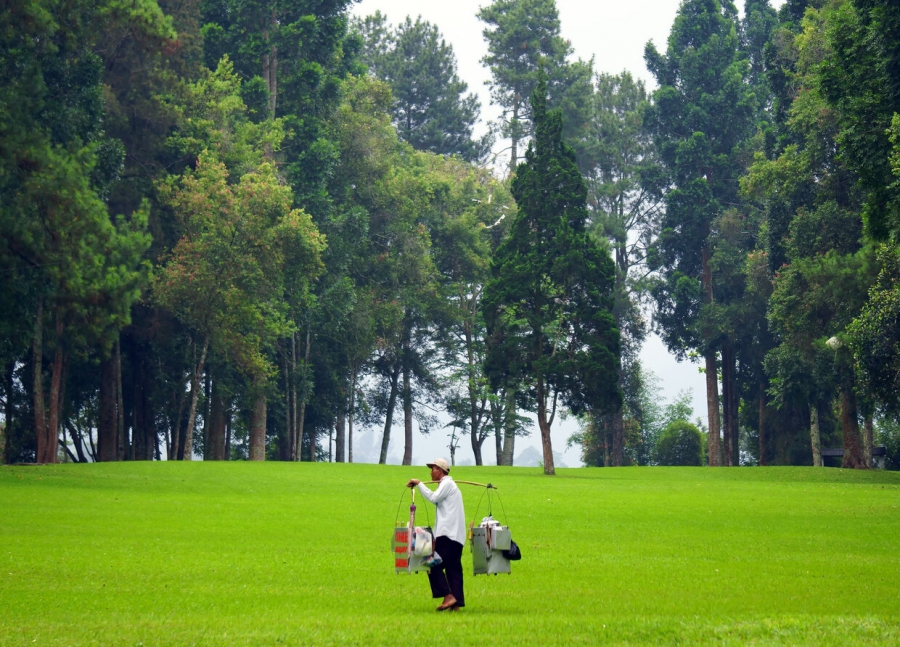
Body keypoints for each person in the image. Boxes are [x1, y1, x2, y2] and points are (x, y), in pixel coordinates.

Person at [406, 458, 466, 611]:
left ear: (440, 470)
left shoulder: (447, 483)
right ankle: (456, 604)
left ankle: (447, 595)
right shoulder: (449, 486)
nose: (431, 472)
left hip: (448, 535)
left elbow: (433, 498)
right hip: (457, 537)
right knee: (453, 568)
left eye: (433, 469)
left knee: (430, 562)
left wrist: (419, 484)